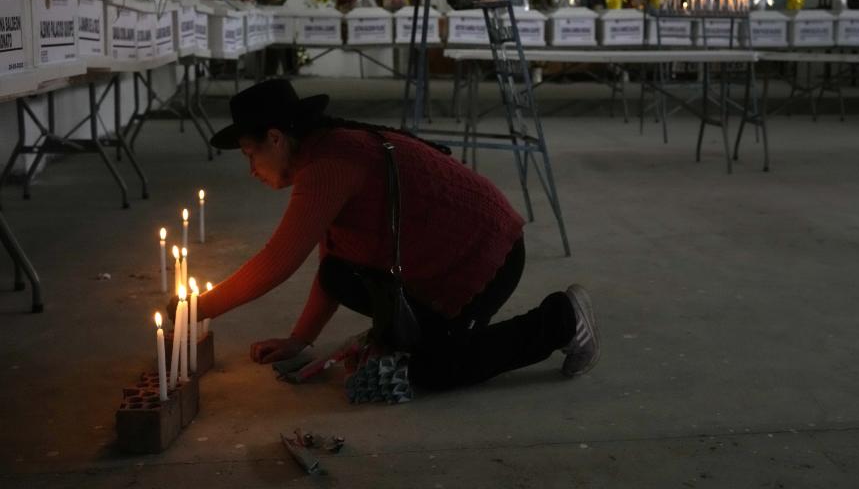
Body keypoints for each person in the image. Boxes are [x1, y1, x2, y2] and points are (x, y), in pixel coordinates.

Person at [189, 79, 599, 391]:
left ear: (275, 139)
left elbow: (277, 261)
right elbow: (332, 260)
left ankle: (563, 319)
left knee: (425, 372)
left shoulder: (330, 163)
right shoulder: (322, 152)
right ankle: (425, 331)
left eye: (250, 154)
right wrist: (300, 340)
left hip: (486, 257)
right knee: (338, 275)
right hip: (441, 257)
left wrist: (195, 309)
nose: (251, 169)